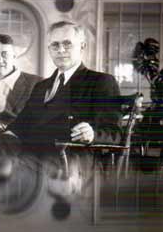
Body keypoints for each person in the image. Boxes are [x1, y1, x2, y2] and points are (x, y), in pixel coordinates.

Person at [7, 21, 122, 150]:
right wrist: (5, 136)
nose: (61, 50)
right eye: (55, 45)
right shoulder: (41, 87)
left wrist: (92, 135)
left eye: (67, 44)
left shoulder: (100, 82)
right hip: (33, 154)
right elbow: (21, 123)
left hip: (72, 157)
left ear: (82, 47)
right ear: (49, 49)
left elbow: (114, 133)